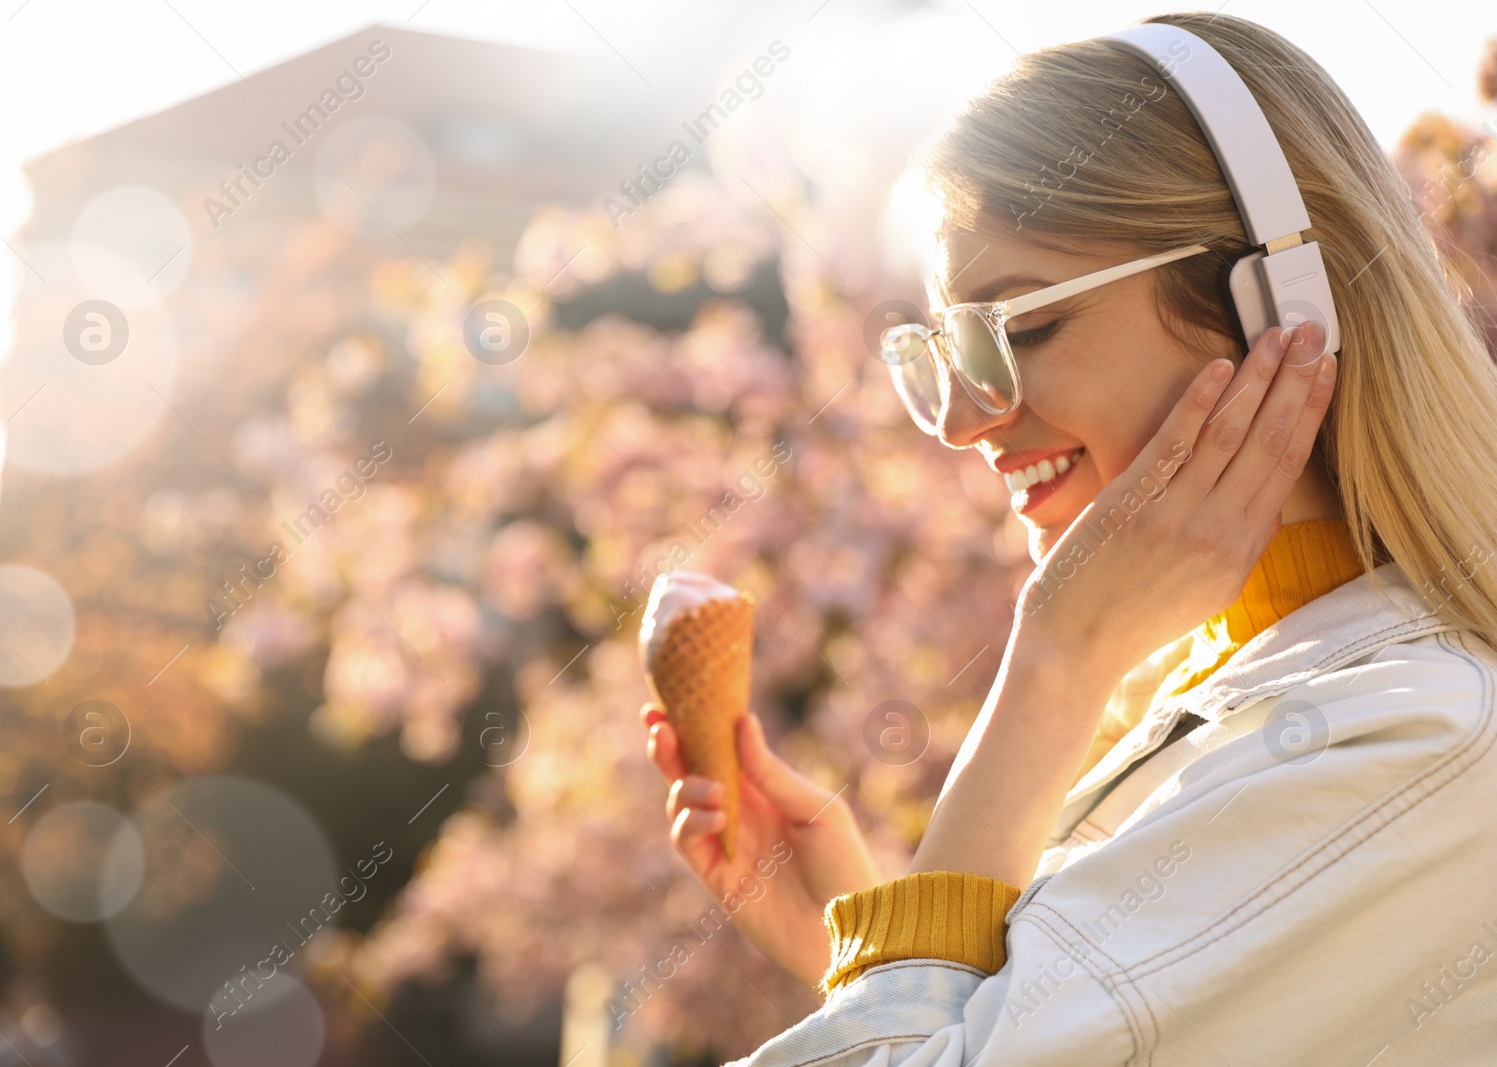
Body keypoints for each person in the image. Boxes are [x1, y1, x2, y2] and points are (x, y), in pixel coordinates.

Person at [641, 12, 1497, 1065]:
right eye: (943, 349)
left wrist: (1049, 666)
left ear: (1280, 300)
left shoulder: (1411, 738)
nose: (963, 420)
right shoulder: (1225, 703)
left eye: (1018, 329)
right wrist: (875, 925)